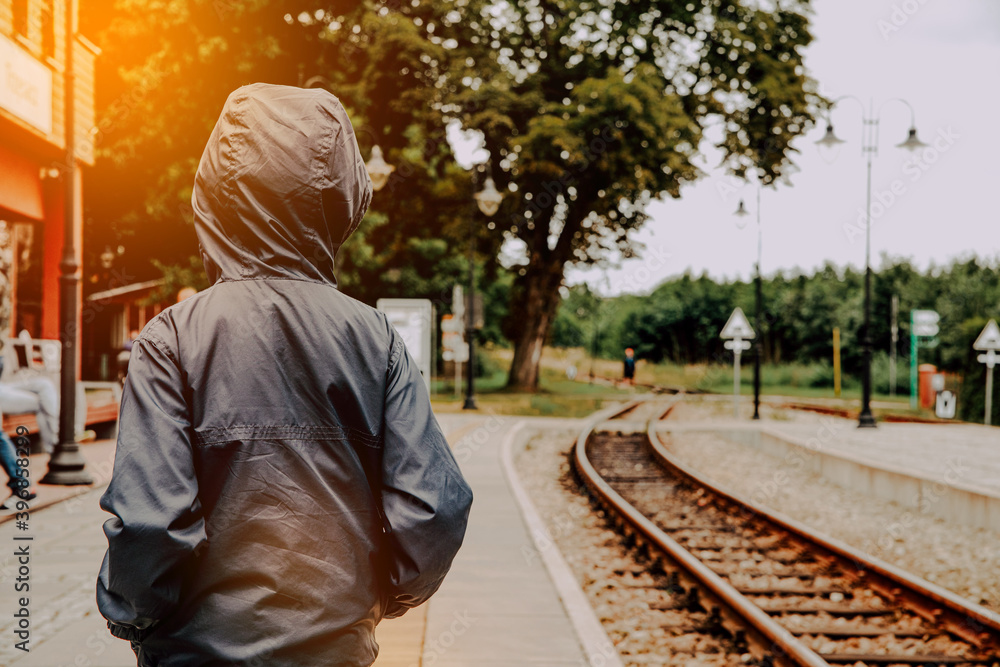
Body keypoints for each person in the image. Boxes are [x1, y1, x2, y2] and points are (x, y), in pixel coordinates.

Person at [96, 83, 473, 667]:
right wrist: (371, 599)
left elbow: (151, 525)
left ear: (217, 193)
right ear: (342, 199)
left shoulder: (171, 338)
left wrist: (135, 618)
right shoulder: (377, 340)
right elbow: (436, 510)